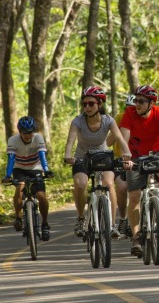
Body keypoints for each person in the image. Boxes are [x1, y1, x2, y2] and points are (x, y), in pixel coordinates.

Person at [119, 85, 159, 255]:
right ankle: (135, 237)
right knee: (134, 197)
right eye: (136, 100)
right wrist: (126, 157)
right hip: (134, 157)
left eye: (141, 101)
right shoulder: (129, 114)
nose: (136, 104)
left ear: (151, 103)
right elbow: (123, 138)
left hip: (155, 154)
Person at [64, 86, 132, 239]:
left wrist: (127, 153)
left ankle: (112, 225)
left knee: (108, 183)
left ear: (100, 104)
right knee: (80, 184)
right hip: (82, 157)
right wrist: (68, 155)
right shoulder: (78, 121)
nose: (87, 107)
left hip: (103, 156)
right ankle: (81, 218)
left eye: (91, 104)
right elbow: (70, 141)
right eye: (84, 104)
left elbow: (120, 138)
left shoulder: (108, 120)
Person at [2, 116, 54, 241]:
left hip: (35, 167)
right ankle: (18, 217)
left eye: (30, 132)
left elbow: (42, 156)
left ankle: (45, 223)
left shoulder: (38, 138)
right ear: (19, 132)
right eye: (24, 132)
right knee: (20, 188)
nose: (27, 135)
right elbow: (11, 159)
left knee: (41, 196)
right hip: (19, 168)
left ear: (33, 131)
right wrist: (8, 175)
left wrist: (46, 170)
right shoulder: (13, 140)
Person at [111, 94, 136, 238]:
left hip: (139, 158)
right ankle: (123, 218)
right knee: (121, 187)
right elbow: (109, 140)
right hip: (121, 158)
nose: (130, 112)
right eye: (128, 109)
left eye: (133, 109)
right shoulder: (120, 118)